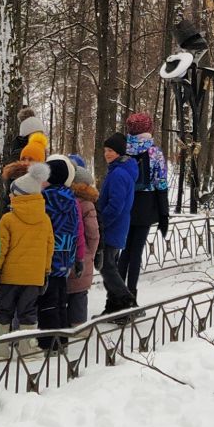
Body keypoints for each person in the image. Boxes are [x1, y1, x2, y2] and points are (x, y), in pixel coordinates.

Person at [0, 163, 53, 357]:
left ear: (19, 195)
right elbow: (48, 247)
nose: (10, 196)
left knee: (5, 312)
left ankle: (1, 350)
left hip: (9, 277)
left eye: (13, 193)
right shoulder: (45, 219)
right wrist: (45, 271)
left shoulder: (8, 219)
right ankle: (27, 350)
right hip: (34, 277)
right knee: (28, 313)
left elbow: (2, 248)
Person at [120, 111, 170, 305]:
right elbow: (161, 183)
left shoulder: (124, 148)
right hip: (146, 205)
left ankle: (117, 297)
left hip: (127, 203)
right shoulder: (154, 152)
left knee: (125, 250)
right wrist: (163, 213)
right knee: (136, 252)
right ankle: (130, 297)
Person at [37, 156, 84, 347]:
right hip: (66, 256)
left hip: (49, 257)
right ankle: (62, 339)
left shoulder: (45, 199)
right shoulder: (71, 199)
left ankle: (49, 342)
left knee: (47, 301)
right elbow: (76, 228)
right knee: (60, 299)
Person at [95, 132, 137, 312]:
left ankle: (126, 301)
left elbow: (115, 205)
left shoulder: (119, 174)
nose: (107, 154)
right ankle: (114, 306)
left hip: (112, 227)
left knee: (107, 267)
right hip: (117, 226)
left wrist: (101, 222)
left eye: (111, 150)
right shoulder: (119, 170)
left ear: (119, 152)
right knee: (110, 267)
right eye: (105, 150)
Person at [66, 155, 101, 327]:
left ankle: (62, 325)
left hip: (65, 253)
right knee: (79, 295)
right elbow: (93, 233)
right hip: (83, 256)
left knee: (65, 292)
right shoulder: (87, 204)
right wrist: (91, 252)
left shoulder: (65, 200)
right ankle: (79, 327)